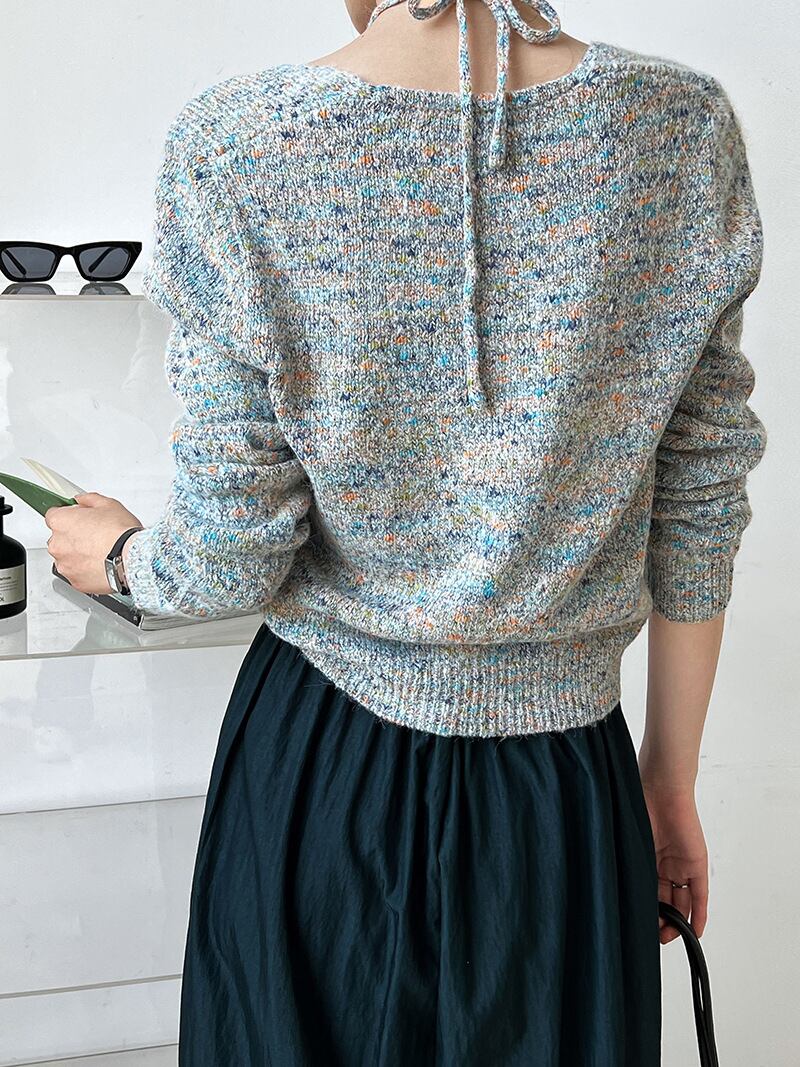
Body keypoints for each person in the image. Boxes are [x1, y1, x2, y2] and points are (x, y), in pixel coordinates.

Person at [44, 0, 767, 1062]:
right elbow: (699, 500)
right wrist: (667, 782)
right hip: (566, 787)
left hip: (320, 770)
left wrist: (113, 555)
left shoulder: (238, 142)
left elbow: (227, 557)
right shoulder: (680, 125)